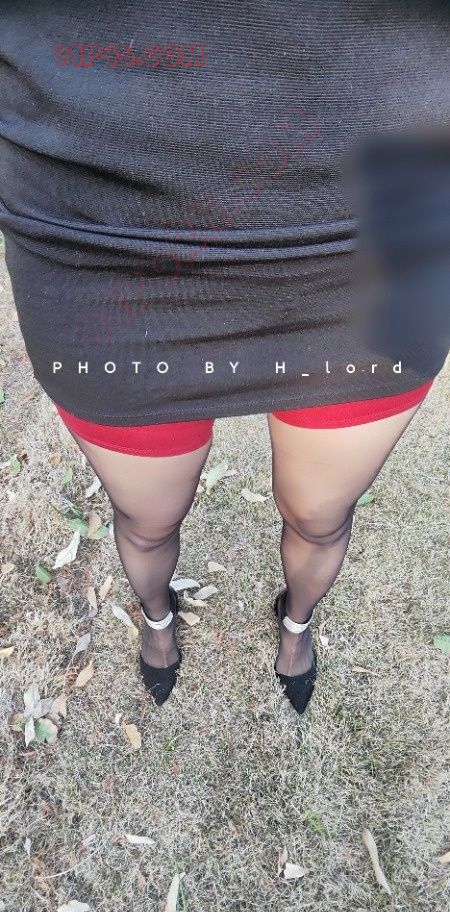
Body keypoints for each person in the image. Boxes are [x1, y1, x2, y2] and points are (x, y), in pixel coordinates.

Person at [0, 2, 448, 714]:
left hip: (373, 239)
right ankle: (157, 619)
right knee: (146, 518)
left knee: (320, 516)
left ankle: (296, 624)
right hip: (104, 238)